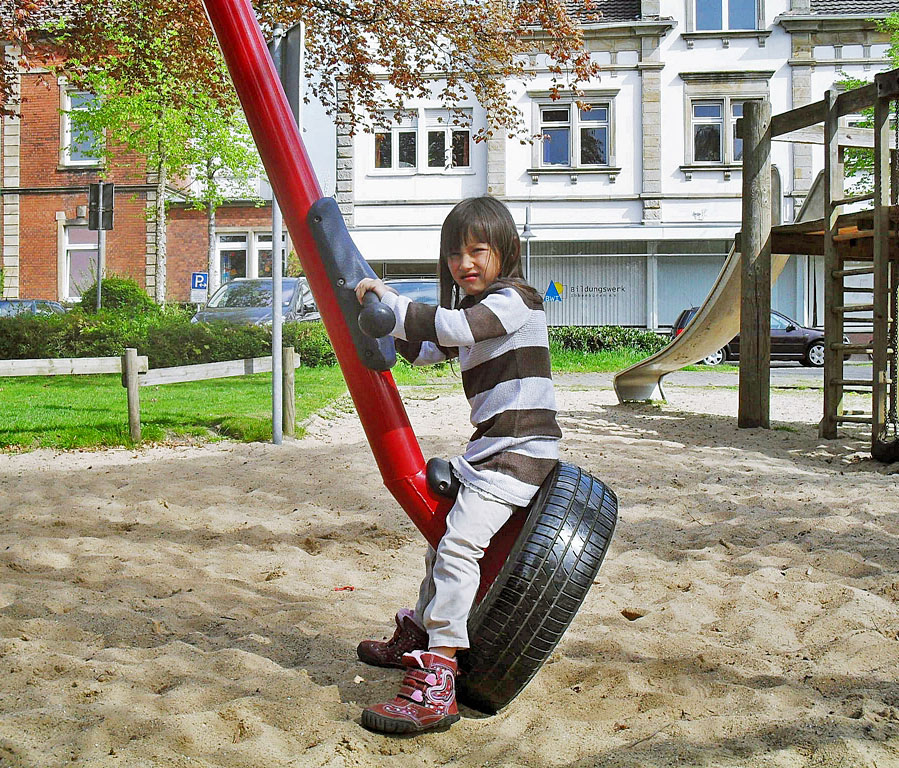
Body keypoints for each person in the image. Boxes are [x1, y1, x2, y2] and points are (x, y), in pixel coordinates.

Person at [353, 196, 562, 734]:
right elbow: (427, 349)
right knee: (439, 540)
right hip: (490, 450)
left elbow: (450, 331)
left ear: (506, 251)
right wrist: (379, 328)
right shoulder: (478, 309)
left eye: (478, 251)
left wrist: (394, 304)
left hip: (519, 453)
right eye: (454, 254)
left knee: (461, 545)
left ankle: (440, 675)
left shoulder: (518, 301)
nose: (464, 263)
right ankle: (422, 635)